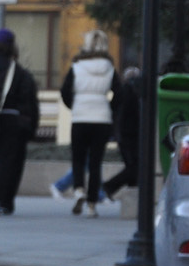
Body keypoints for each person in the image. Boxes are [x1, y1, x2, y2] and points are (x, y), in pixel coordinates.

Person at [0, 27, 40, 216]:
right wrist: (31, 127)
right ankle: (2, 199)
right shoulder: (19, 72)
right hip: (13, 121)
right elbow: (30, 101)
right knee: (9, 162)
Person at [60, 29, 117, 217]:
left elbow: (65, 91)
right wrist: (108, 106)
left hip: (80, 117)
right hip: (102, 118)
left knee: (78, 158)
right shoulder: (109, 67)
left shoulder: (77, 66)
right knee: (95, 162)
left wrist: (74, 105)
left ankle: (78, 190)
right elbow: (120, 93)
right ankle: (92, 205)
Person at [100, 66, 143, 204]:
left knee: (133, 167)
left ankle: (132, 197)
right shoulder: (131, 92)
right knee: (134, 167)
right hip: (128, 135)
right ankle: (108, 187)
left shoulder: (123, 92)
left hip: (124, 134)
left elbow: (113, 110)